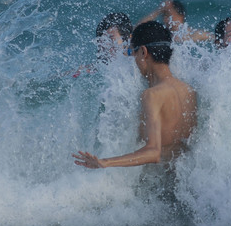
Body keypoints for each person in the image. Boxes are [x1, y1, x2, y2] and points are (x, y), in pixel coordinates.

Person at [73, 21, 197, 168]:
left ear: (143, 52)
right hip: (182, 182)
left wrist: (105, 162)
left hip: (160, 184)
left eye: (132, 53)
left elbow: (153, 152)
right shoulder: (188, 90)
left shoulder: (152, 95)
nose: (133, 60)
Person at [70, 12, 132, 78]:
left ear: (128, 39)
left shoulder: (137, 65)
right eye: (102, 40)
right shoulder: (98, 69)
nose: (105, 45)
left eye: (111, 38)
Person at [137, 0, 212, 42]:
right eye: (163, 15)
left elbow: (216, 39)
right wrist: (158, 11)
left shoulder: (196, 34)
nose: (165, 19)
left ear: (181, 15)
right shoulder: (162, 36)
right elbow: (138, 30)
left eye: (168, 15)